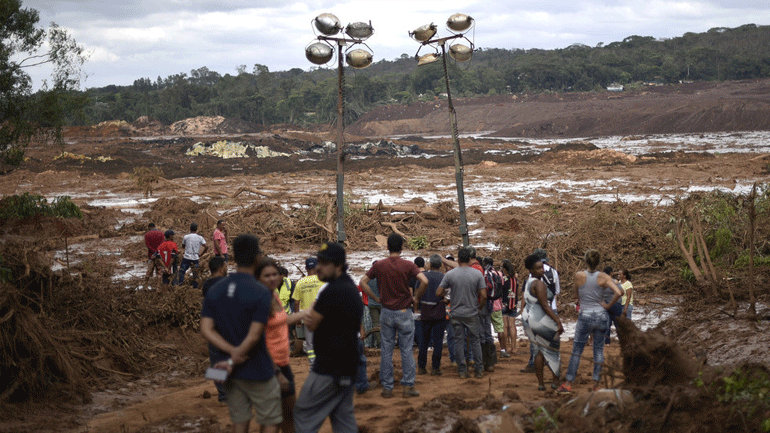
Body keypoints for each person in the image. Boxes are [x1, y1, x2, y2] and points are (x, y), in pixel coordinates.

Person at [200, 234, 281, 433]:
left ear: (234, 257)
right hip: (258, 368)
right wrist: (237, 355)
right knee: (270, 420)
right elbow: (254, 335)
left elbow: (206, 329)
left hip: (229, 372)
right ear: (257, 257)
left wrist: (230, 354)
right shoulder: (261, 291)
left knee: (239, 422)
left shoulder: (216, 289)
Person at [294, 242, 363, 433]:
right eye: (318, 262)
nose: (318, 267)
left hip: (329, 367)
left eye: (324, 263)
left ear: (338, 265)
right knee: (342, 417)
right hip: (348, 365)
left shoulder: (332, 291)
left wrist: (306, 316)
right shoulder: (348, 286)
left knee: (303, 412)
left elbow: (312, 323)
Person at [360, 233, 428, 398]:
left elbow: (363, 282)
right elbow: (424, 281)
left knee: (386, 350)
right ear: (401, 248)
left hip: (386, 312)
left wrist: (376, 298)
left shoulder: (380, 265)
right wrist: (416, 297)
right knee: (406, 350)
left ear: (387, 247)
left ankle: (387, 387)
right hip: (404, 312)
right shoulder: (408, 265)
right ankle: (408, 386)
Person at [557, 249, 622, 394]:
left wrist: (580, 298)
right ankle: (596, 385)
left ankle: (568, 384)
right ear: (598, 262)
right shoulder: (604, 277)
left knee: (577, 350)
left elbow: (575, 296)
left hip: (585, 315)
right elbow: (619, 292)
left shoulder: (579, 276)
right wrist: (607, 305)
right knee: (598, 350)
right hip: (601, 315)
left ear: (585, 261)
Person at [256, 258, 307, 433]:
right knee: (272, 420)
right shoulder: (261, 302)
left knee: (289, 416)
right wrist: (277, 373)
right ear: (258, 278)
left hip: (283, 363)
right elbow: (258, 341)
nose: (271, 278)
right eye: (266, 275)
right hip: (270, 367)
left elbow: (284, 320)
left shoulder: (274, 295)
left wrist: (306, 312)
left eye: (274, 274)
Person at [436, 247, 486, 379]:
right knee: (475, 341)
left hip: (456, 313)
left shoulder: (450, 274)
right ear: (470, 259)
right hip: (472, 312)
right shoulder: (477, 274)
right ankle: (479, 369)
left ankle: (462, 370)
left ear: (458, 259)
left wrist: (446, 300)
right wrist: (479, 307)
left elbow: (438, 292)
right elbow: (484, 295)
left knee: (459, 341)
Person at [521, 253, 564, 391]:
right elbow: (545, 306)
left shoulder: (527, 282)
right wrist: (557, 321)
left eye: (542, 267)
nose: (543, 270)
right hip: (542, 319)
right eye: (538, 268)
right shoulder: (539, 284)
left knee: (539, 351)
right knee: (553, 350)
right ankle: (555, 382)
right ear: (531, 270)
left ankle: (540, 384)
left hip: (530, 319)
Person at [202, 256, 228, 402]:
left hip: (213, 328)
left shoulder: (206, 285)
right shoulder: (228, 282)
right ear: (220, 268)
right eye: (225, 265)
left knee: (215, 361)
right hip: (229, 327)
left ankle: (223, 393)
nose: (226, 268)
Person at [416, 254, 447, 376]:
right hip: (439, 310)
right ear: (440, 265)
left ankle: (422, 366)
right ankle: (435, 367)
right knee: (438, 340)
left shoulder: (423, 276)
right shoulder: (443, 277)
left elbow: (417, 294)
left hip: (425, 310)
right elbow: (448, 293)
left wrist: (416, 308)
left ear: (429, 264)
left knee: (424, 339)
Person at [292, 257, 324, 366]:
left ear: (306, 268)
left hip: (307, 318)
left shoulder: (300, 282)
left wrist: (298, 319)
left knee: (310, 344)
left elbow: (296, 303)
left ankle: (313, 366)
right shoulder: (322, 280)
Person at [483, 257, 505, 369]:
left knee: (486, 331)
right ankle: (503, 349)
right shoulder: (499, 274)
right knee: (499, 328)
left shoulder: (484, 274)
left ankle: (487, 356)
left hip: (486, 304)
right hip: (497, 304)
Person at [177, 222, 208, 288]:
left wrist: (183, 251)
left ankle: (180, 286)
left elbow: (183, 246)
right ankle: (195, 288)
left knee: (182, 272)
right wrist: (201, 254)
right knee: (195, 274)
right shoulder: (200, 238)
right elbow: (206, 246)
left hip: (187, 257)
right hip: (195, 257)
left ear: (190, 229)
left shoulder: (186, 237)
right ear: (197, 229)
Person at [500, 259, 519, 357]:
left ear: (504, 269)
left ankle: (506, 346)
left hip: (504, 303)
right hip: (514, 304)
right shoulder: (516, 279)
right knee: (512, 325)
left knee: (505, 326)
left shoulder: (503, 279)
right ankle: (514, 347)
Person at [602, 266, 624, 345]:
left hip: (605, 304)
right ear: (611, 273)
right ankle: (622, 341)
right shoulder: (614, 281)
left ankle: (606, 342)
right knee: (618, 323)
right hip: (616, 304)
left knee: (607, 323)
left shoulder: (600, 282)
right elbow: (621, 292)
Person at [365, 262, 381, 349]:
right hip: (383, 304)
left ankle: (379, 343)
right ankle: (386, 342)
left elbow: (362, 286)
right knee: (385, 324)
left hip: (372, 304)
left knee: (375, 324)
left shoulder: (368, 279)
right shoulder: (383, 277)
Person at [144, 223, 165, 287]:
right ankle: (158, 287)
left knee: (148, 272)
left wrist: (153, 252)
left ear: (149, 228)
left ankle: (145, 286)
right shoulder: (161, 234)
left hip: (151, 256)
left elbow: (148, 246)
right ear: (155, 226)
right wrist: (156, 252)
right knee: (159, 273)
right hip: (159, 256)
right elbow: (162, 245)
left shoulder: (147, 235)